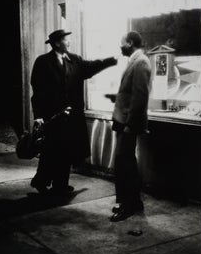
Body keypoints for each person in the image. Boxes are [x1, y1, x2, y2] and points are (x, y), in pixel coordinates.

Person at [30, 29, 117, 196]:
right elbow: (38, 91)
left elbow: (92, 66)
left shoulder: (74, 60)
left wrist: (111, 61)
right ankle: (41, 180)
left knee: (66, 150)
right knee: (51, 151)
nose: (69, 42)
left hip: (72, 118)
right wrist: (38, 115)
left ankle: (60, 185)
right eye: (65, 40)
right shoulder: (43, 62)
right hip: (53, 117)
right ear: (57, 43)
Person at [110, 31, 151, 222]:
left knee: (123, 163)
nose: (120, 46)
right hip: (124, 122)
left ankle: (127, 205)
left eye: (122, 42)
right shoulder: (135, 61)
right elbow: (131, 94)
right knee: (127, 163)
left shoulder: (141, 62)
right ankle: (134, 201)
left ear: (131, 42)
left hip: (128, 124)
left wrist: (130, 125)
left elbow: (140, 97)